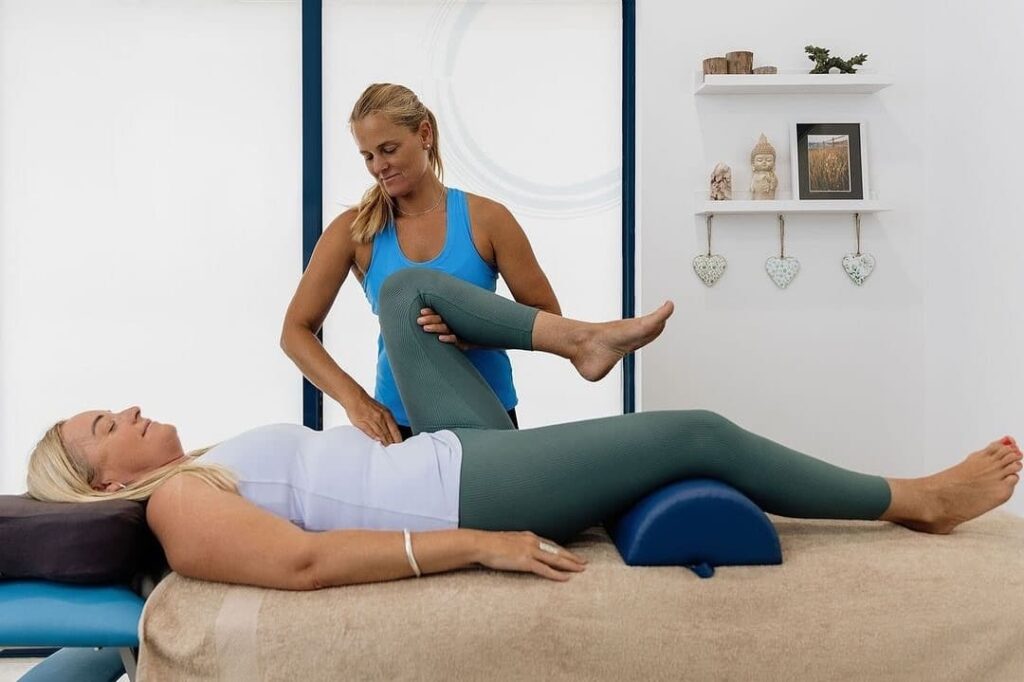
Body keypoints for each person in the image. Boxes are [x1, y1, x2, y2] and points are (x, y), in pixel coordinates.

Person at [28, 269, 1021, 590]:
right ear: (103, 481)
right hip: (467, 489)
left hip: (443, 451)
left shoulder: (202, 468)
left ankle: (581, 341)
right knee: (695, 431)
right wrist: (474, 544)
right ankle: (914, 501)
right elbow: (302, 564)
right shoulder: (177, 509)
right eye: (105, 425)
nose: (129, 410)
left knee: (408, 289)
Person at [281, 83, 560, 444]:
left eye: (388, 149)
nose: (379, 167)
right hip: (399, 426)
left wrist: (473, 334)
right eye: (367, 156)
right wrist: (356, 401)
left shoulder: (487, 220)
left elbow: (546, 313)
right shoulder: (354, 232)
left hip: (488, 415)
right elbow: (294, 332)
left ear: (424, 133)